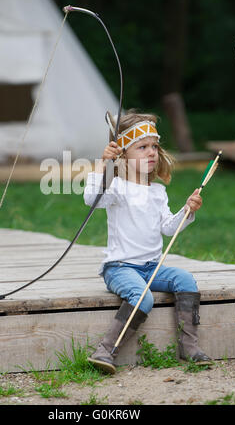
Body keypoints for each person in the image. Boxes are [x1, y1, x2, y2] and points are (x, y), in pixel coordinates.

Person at [83, 109, 211, 374]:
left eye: (154, 146)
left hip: (152, 267)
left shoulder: (157, 191)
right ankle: (106, 350)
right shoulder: (115, 187)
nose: (152, 152)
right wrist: (102, 164)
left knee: (185, 279)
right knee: (142, 297)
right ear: (123, 154)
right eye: (142, 147)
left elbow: (167, 228)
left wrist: (187, 211)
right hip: (120, 267)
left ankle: (190, 347)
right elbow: (91, 198)